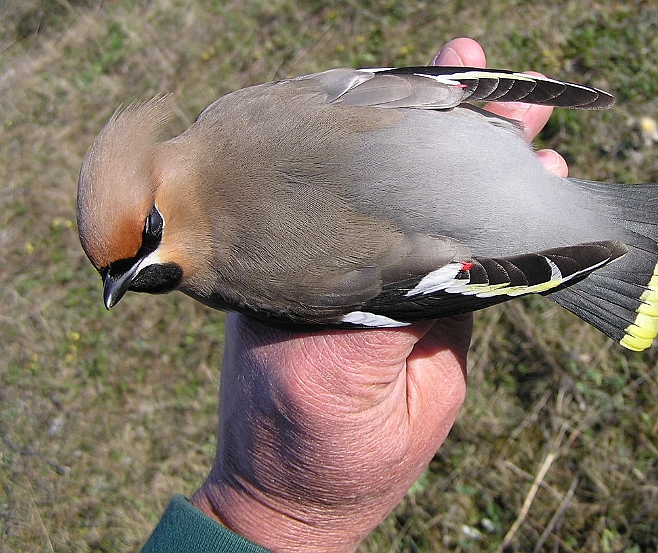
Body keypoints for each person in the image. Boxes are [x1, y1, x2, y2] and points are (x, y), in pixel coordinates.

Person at [141, 38, 565, 552]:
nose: (133, 274)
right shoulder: (231, 116)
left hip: (460, 202)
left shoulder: (238, 272)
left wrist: (270, 513)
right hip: (464, 149)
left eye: (147, 235)